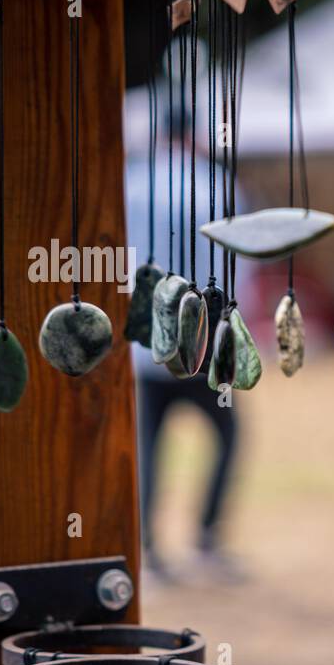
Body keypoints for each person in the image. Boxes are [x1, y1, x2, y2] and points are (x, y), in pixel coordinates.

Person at [126, 116, 245, 585]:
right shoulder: (216, 184)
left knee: (148, 447)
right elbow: (237, 266)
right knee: (228, 434)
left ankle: (147, 554)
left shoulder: (132, 181)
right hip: (204, 340)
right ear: (193, 135)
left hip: (144, 341)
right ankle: (207, 541)